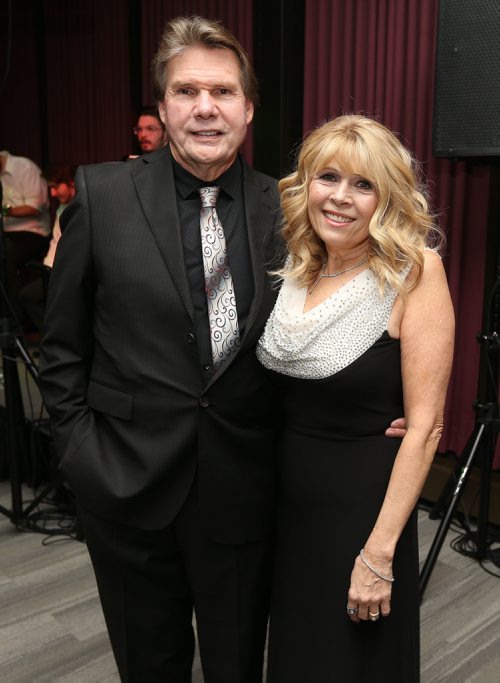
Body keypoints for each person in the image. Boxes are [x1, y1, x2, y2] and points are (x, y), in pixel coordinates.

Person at [39, 19, 406, 682]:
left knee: (237, 665)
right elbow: (60, 347)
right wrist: (79, 453)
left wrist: (380, 409)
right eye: (186, 91)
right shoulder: (100, 196)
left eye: (223, 92)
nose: (205, 107)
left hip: (246, 489)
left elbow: (350, 302)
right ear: (161, 108)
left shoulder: (292, 209)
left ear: (248, 109)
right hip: (124, 484)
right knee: (148, 665)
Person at [256, 114, 454, 682]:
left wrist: (379, 555)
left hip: (362, 516)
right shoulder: (298, 266)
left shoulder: (414, 272)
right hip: (291, 512)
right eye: (329, 177)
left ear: (387, 198)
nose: (341, 197)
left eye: (363, 185)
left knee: (351, 664)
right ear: (305, 186)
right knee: (298, 656)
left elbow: (424, 428)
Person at [18, 162, 77, 331]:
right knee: (28, 296)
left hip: (67, 273)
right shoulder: (62, 208)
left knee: (31, 297)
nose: (52, 193)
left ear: (71, 182)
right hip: (53, 271)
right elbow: (56, 242)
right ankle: (54, 338)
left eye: (56, 186)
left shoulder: (79, 208)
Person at [1, 150, 50, 319]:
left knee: (5, 254)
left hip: (33, 232)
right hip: (7, 232)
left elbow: (35, 207)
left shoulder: (24, 167)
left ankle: (14, 319)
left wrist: (5, 210)